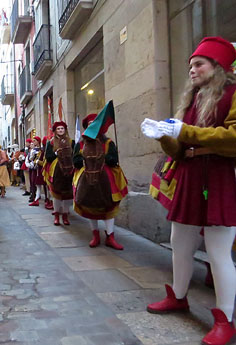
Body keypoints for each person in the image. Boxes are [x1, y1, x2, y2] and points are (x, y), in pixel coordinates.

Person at [141, 36, 236, 345]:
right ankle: (178, 297)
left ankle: (225, 318)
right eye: (190, 65)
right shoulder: (192, 100)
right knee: (178, 242)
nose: (192, 70)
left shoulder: (234, 93)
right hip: (189, 175)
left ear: (217, 67)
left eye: (199, 64)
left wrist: (184, 130)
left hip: (220, 175)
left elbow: (233, 138)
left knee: (219, 251)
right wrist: (164, 136)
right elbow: (180, 150)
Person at [73, 113, 128, 250]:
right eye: (89, 124)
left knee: (109, 205)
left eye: (95, 124)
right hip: (87, 176)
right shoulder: (80, 144)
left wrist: (109, 158)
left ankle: (110, 236)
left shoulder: (108, 143)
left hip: (105, 176)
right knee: (90, 204)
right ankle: (95, 235)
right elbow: (76, 161)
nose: (92, 126)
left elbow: (112, 158)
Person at [45, 121, 75, 225]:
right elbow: (48, 157)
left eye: (62, 129)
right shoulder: (51, 142)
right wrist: (55, 153)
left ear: (65, 130)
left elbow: (74, 155)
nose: (60, 130)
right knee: (56, 194)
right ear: (55, 131)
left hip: (69, 168)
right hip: (57, 168)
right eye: (58, 129)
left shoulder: (71, 142)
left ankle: (65, 215)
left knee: (67, 195)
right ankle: (57, 215)